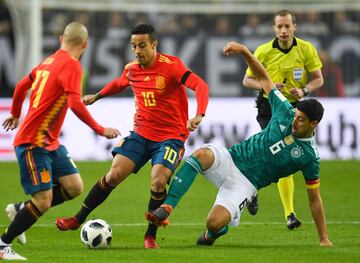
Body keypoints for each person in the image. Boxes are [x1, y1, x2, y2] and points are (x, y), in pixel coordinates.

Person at [145, 41, 333, 248]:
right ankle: (167, 207)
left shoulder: (309, 157)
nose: (294, 121)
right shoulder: (285, 110)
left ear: (313, 124)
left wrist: (324, 238)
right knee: (201, 155)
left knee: (214, 223)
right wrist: (245, 51)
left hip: (246, 183)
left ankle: (214, 232)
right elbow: (263, 77)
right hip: (231, 158)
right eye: (296, 116)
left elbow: (314, 199)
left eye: (301, 120)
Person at [55, 24, 209, 249]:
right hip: (140, 134)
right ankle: (78, 219)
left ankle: (150, 235)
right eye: (134, 46)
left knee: (158, 180)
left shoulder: (172, 66)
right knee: (113, 175)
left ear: (154, 44)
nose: (137, 50)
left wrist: (199, 114)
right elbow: (119, 83)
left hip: (170, 137)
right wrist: (97, 96)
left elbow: (200, 85)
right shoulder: (132, 69)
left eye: (142, 45)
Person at [0, 22, 120, 260]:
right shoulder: (72, 66)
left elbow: (22, 85)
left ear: (60, 40)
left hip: (50, 142)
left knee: (74, 186)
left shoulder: (49, 61)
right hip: (34, 142)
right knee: (43, 201)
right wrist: (100, 129)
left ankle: (20, 210)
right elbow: (75, 103)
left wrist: (15, 112)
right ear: (85, 45)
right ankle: (3, 244)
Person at [242, 9, 324, 229]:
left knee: (282, 157)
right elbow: (247, 81)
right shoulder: (263, 51)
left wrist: (305, 89)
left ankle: (282, 209)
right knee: (276, 155)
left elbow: (318, 79)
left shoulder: (306, 49)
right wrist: (266, 86)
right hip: (271, 107)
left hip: (297, 109)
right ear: (274, 28)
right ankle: (277, 205)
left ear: (294, 26)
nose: (284, 30)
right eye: (280, 26)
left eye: (287, 26)